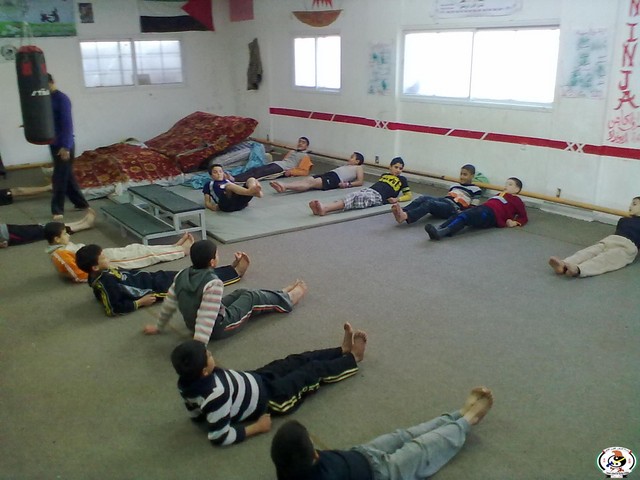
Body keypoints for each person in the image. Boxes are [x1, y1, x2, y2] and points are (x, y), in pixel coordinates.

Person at [169, 322, 367, 446]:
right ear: (204, 371)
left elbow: (193, 407)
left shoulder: (185, 382)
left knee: (296, 360)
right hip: (271, 398)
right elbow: (219, 436)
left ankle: (340, 350)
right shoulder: (215, 395)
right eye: (209, 355)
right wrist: (257, 427)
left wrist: (198, 418)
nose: (212, 354)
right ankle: (353, 358)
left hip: (257, 378)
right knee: (311, 372)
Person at [270, 387, 494, 480]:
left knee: (404, 435)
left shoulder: (292, 470)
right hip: (382, 474)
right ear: (314, 456)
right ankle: (468, 420)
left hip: (362, 452)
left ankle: (458, 414)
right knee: (421, 449)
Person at [143, 239, 307, 343]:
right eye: (217, 255)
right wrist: (199, 346)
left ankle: (279, 294)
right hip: (218, 328)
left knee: (241, 292)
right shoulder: (213, 284)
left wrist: (159, 326)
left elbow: (170, 303)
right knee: (251, 297)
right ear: (212, 262)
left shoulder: (182, 274)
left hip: (194, 323)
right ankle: (288, 299)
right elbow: (206, 317)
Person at [75, 243, 245, 316]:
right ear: (95, 267)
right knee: (195, 282)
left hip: (151, 278)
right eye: (103, 257)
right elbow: (113, 309)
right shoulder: (105, 283)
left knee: (189, 273)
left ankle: (227, 269)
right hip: (155, 288)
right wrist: (140, 302)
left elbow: (102, 293)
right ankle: (234, 273)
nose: (107, 258)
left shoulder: (98, 276)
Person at [45, 221, 194, 282]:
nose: (68, 235)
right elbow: (77, 274)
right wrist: (99, 273)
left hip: (103, 254)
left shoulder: (62, 248)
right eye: (65, 234)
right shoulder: (60, 254)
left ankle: (174, 247)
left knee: (138, 248)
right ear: (57, 239)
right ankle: (182, 251)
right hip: (106, 262)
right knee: (145, 255)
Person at [548, 196, 640, 278]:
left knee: (605, 259)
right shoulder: (624, 220)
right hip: (611, 240)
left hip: (627, 247)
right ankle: (564, 264)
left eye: (634, 204)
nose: (630, 206)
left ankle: (579, 269)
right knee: (588, 251)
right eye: (631, 204)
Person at [425, 177, 527, 240]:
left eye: (510, 184)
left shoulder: (517, 200)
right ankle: (439, 228)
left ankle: (442, 233)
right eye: (506, 184)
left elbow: (524, 217)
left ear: (517, 189)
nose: (506, 186)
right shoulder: (500, 194)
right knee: (460, 214)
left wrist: (514, 222)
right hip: (484, 208)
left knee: (466, 217)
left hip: (492, 214)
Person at [48, 73, 90, 221]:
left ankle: (57, 209)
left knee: (59, 177)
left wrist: (65, 146)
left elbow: (67, 125)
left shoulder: (62, 99)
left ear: (51, 82)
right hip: (53, 143)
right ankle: (81, 203)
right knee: (67, 175)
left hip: (64, 145)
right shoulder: (46, 99)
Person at [309, 157, 412, 216]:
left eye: (400, 169)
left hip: (379, 197)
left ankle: (325, 208)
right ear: (390, 167)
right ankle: (324, 207)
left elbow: (409, 195)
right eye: (396, 167)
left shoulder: (402, 179)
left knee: (355, 199)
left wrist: (397, 199)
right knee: (351, 195)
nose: (398, 170)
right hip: (370, 190)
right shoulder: (384, 175)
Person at [391, 164, 481, 225]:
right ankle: (402, 211)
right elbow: (448, 197)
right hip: (445, 201)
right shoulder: (454, 185)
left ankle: (406, 216)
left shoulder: (476, 190)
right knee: (423, 198)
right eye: (461, 174)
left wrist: (462, 215)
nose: (462, 177)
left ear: (472, 176)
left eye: (465, 175)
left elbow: (473, 207)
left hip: (454, 208)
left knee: (430, 203)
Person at [269, 152, 365, 194]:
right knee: (308, 179)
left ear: (357, 161)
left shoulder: (358, 167)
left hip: (335, 179)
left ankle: (285, 186)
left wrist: (348, 184)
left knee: (311, 183)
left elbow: (360, 182)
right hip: (330, 174)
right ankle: (285, 186)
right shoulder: (347, 165)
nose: (349, 158)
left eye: (352, 157)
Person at [0, 208, 95, 248]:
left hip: (5, 229)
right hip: (8, 235)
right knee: (47, 230)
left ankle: (80, 222)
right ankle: (84, 225)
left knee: (42, 227)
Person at [232, 137, 313, 183]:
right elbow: (285, 160)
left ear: (306, 146)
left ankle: (236, 180)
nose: (300, 143)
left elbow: (304, 171)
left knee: (260, 174)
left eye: (303, 142)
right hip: (277, 164)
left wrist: (291, 172)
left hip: (282, 169)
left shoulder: (305, 156)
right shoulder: (292, 151)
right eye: (299, 142)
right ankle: (234, 177)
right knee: (255, 169)